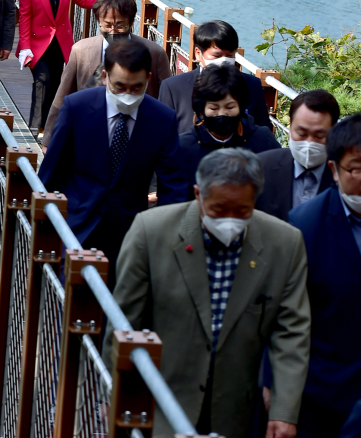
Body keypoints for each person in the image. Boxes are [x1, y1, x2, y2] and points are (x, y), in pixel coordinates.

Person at [103, 148, 310, 438]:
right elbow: (124, 319)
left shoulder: (284, 244)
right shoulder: (152, 231)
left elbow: (292, 331)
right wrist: (112, 393)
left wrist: (284, 410)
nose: (230, 220)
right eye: (218, 209)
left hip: (235, 411)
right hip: (160, 401)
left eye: (242, 212)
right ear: (199, 194)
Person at [38, 39, 188, 283]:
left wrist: (160, 238)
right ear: (105, 76)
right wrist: (44, 228)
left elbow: (174, 186)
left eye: (137, 88)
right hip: (76, 226)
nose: (127, 95)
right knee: (69, 309)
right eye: (119, 86)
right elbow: (51, 172)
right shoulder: (77, 107)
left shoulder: (162, 119)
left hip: (130, 235)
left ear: (148, 79)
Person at [289, 114, 361, 438]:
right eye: (357, 169)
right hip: (322, 391)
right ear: (334, 170)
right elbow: (287, 316)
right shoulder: (305, 226)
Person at [41, 0, 171, 148]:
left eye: (120, 26)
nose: (113, 32)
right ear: (99, 22)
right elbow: (62, 97)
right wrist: (48, 142)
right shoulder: (81, 51)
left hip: (138, 136)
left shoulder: (155, 53)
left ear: (131, 24)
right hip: (89, 132)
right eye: (107, 26)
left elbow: (166, 101)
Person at [17, 0, 97, 134]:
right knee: (42, 80)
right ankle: (38, 126)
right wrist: (25, 45)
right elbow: (24, 16)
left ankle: (50, 126)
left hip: (60, 41)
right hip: (36, 42)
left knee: (56, 83)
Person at [158, 20, 273, 133]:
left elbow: (263, 131)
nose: (223, 60)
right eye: (216, 55)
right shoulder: (173, 88)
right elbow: (161, 133)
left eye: (230, 55)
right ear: (198, 53)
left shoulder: (252, 85)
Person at [178, 64, 278, 191]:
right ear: (201, 110)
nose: (222, 114)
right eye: (214, 108)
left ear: (241, 107)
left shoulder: (263, 140)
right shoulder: (184, 147)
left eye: (230, 108)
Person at [256, 90, 339, 221]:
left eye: (319, 136)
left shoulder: (346, 175)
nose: (309, 144)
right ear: (290, 124)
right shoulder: (261, 168)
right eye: (301, 134)